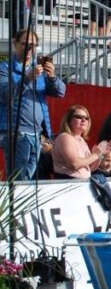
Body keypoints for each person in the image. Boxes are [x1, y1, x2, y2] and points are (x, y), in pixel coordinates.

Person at [0, 29, 66, 180]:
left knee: (29, 178)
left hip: (37, 134)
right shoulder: (5, 68)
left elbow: (60, 92)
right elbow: (5, 95)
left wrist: (52, 77)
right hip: (17, 133)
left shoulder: (39, 69)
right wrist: (27, 78)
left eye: (33, 45)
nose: (30, 49)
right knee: (20, 179)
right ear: (15, 44)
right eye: (25, 44)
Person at [51, 106, 111, 180]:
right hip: (68, 183)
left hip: (82, 183)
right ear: (69, 120)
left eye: (86, 118)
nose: (83, 120)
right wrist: (96, 154)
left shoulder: (82, 140)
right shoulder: (65, 137)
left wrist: (100, 154)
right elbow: (74, 164)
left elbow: (90, 168)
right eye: (79, 117)